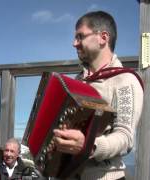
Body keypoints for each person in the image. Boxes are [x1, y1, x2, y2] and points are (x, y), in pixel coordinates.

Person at [53, 11, 144, 180]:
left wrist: (89, 146)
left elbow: (125, 137)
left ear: (103, 37)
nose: (74, 43)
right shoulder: (78, 81)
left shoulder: (125, 80)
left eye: (80, 37)